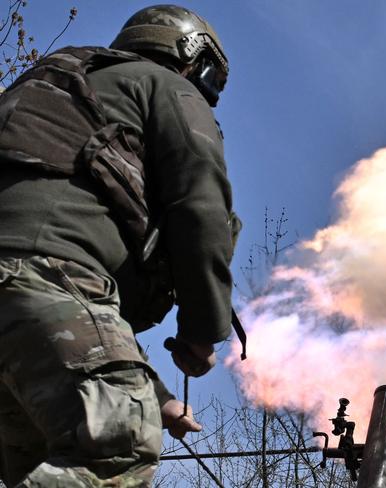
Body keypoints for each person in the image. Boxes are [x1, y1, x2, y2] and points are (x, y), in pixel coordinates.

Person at [0, 4, 240, 486]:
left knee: (45, 460)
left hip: (27, 302)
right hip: (44, 274)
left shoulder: (45, 88)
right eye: (211, 81)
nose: (209, 96)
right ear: (191, 57)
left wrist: (161, 398)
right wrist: (201, 328)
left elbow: (76, 329)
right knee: (121, 442)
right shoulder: (165, 85)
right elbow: (203, 208)